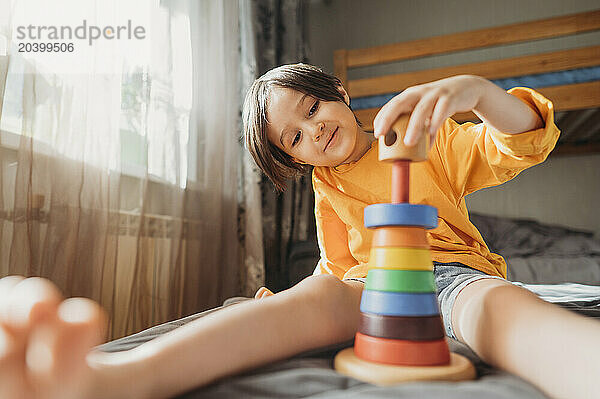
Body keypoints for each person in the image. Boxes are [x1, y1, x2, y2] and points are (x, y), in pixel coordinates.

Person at [0, 64, 598, 399]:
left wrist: (480, 94)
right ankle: (116, 379)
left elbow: (521, 142)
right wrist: (288, 302)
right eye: (296, 138)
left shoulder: (425, 140)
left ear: (337, 93)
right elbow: (333, 266)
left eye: (313, 111)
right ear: (296, 161)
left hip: (442, 275)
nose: (314, 133)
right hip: (359, 285)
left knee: (493, 308)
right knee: (281, 308)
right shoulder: (327, 185)